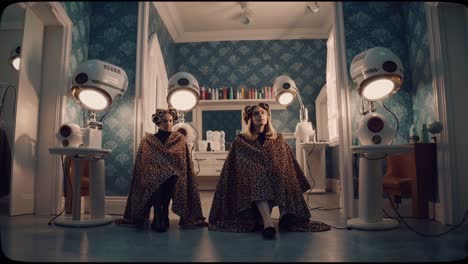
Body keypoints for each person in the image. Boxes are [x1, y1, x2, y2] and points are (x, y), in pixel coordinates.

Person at [208, 102, 329, 239]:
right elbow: (238, 164)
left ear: (267, 117)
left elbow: (285, 161)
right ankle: (268, 221)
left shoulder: (278, 138)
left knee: (282, 172)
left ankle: (284, 215)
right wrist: (258, 168)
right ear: (250, 119)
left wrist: (274, 168)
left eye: (263, 113)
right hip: (249, 178)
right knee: (258, 175)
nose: (260, 116)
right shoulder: (241, 140)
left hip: (273, 174)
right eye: (256, 114)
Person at [115, 108, 207, 232]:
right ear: (158, 122)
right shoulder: (148, 141)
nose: (168, 124)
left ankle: (163, 214)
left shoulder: (179, 139)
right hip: (153, 175)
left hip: (173, 175)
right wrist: (157, 171)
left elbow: (183, 162)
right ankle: (159, 214)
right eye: (164, 121)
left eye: (170, 121)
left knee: (171, 178)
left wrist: (171, 170)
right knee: (156, 179)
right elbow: (144, 163)